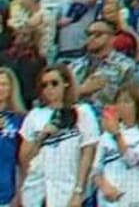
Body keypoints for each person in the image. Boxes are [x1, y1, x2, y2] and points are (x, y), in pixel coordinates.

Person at [19, 65, 100, 207]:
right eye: (44, 85)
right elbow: (24, 158)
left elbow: (88, 154)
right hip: (37, 190)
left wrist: (79, 191)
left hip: (68, 188)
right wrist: (42, 137)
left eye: (54, 83)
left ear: (66, 83)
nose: (49, 88)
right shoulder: (34, 115)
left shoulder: (82, 112)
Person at [94, 81, 139, 206]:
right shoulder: (106, 134)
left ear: (138, 105)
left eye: (127, 101)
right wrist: (104, 186)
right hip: (108, 199)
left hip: (135, 197)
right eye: (119, 101)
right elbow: (95, 168)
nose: (121, 105)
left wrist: (117, 135)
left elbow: (135, 162)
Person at [0, 68, 25, 207]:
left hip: (8, 191)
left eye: (4, 84)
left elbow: (24, 159)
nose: (0, 88)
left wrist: (20, 192)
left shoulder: (20, 120)